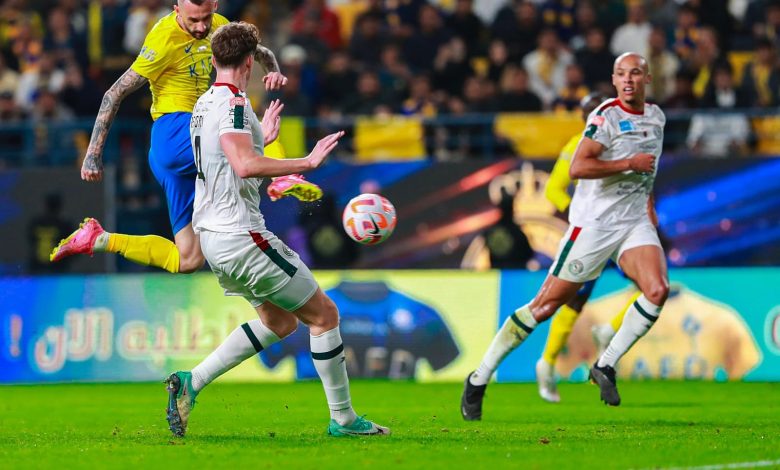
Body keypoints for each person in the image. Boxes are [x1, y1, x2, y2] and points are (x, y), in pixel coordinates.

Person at [164, 21, 389, 438]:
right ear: (250, 62)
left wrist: (261, 138)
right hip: (241, 235)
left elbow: (229, 160)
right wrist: (305, 163)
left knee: (281, 322)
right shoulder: (233, 105)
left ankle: (190, 382)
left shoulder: (204, 104)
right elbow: (243, 165)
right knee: (325, 314)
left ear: (214, 60)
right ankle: (343, 419)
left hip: (213, 237)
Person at [461, 52, 668, 419]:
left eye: (635, 73)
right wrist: (626, 164)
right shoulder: (605, 117)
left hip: (633, 223)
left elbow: (647, 170)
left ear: (647, 78)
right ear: (614, 79)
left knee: (657, 290)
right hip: (593, 226)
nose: (628, 80)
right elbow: (578, 167)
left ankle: (605, 365)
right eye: (621, 74)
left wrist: (648, 204)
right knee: (544, 307)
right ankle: (479, 378)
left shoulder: (656, 118)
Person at [49, 0, 319, 274]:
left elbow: (259, 52)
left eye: (205, 18)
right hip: (175, 130)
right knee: (242, 121)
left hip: (177, 153)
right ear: (177, 10)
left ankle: (98, 238)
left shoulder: (219, 26)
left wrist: (273, 71)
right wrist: (93, 155)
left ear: (214, 6)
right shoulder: (163, 39)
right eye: (193, 21)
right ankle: (284, 177)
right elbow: (113, 94)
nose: (201, 27)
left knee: (188, 259)